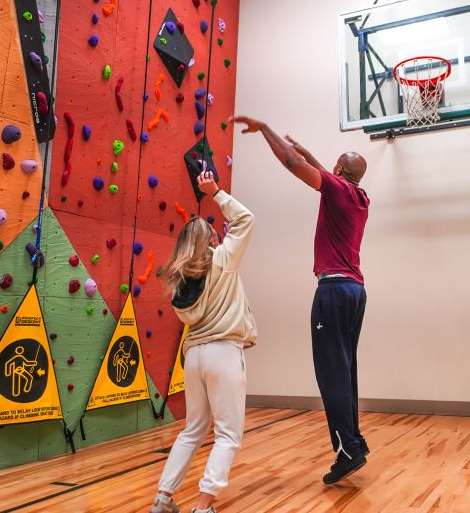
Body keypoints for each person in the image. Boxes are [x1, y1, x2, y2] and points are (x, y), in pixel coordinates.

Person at [230, 115, 370, 485]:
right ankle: (354, 440)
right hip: (355, 291)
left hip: (334, 291)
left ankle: (348, 449)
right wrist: (309, 153)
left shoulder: (336, 189)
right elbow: (322, 171)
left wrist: (265, 129)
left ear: (338, 171)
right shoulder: (359, 197)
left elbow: (293, 165)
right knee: (346, 370)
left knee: (331, 373)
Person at [151, 170, 259, 513]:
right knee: (228, 435)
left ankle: (163, 498)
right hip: (223, 352)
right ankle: (203, 506)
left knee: (192, 430)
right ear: (211, 240)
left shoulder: (179, 281)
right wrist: (215, 192)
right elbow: (245, 218)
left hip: (194, 356)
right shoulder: (223, 260)